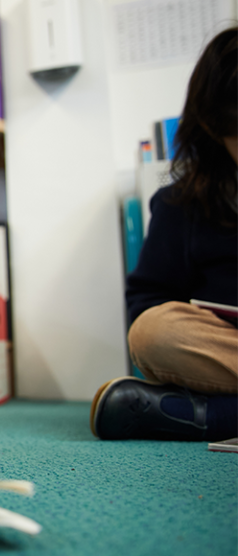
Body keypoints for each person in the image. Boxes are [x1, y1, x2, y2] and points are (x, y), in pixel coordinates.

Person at [91, 27, 237, 441]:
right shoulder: (180, 204)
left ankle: (213, 416)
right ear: (213, 128)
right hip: (225, 347)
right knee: (154, 332)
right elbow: (147, 305)